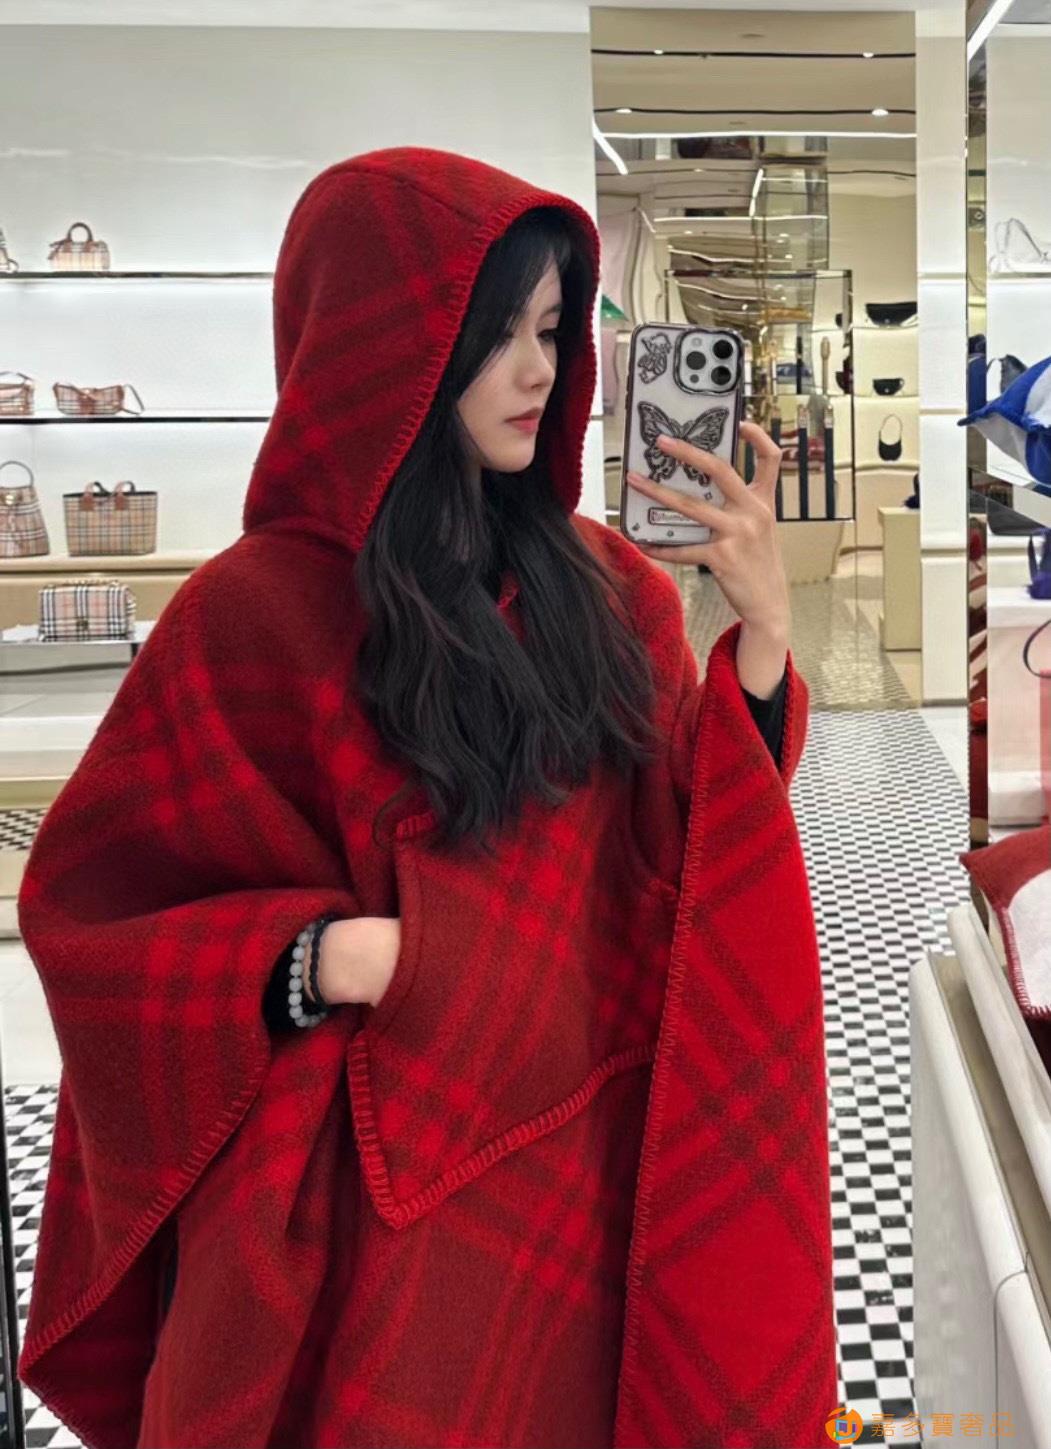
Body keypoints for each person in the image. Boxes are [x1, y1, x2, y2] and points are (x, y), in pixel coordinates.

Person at [17, 147, 836, 1449]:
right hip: (368, 1197)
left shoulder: (606, 588)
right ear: (383, 346)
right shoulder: (254, 617)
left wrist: (765, 638)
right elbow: (93, 916)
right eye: (495, 333)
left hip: (587, 1146)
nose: (537, 372)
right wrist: (319, 957)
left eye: (550, 332)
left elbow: (684, 842)